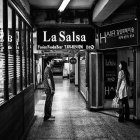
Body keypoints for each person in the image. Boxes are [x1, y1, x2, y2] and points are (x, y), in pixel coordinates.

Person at [44, 56, 55, 121]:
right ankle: (47, 116)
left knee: (49, 102)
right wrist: (52, 89)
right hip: (48, 89)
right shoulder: (48, 69)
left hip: (49, 89)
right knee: (48, 102)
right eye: (52, 60)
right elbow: (49, 80)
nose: (53, 61)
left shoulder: (48, 68)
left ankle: (49, 115)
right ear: (49, 61)